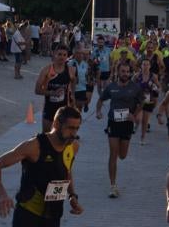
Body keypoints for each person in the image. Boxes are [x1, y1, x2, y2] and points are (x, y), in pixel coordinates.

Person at [95, 60, 144, 198]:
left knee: (122, 155)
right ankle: (113, 185)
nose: (125, 74)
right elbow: (100, 100)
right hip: (113, 122)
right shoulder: (111, 87)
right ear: (118, 72)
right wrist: (98, 112)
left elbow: (142, 102)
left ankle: (116, 167)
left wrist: (134, 115)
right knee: (113, 154)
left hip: (127, 124)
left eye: (127, 72)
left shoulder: (135, 88)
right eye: (123, 71)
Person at [35, 43, 73, 131]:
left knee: (61, 136)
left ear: (67, 56)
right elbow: (37, 90)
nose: (62, 57)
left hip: (63, 109)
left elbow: (73, 85)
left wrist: (72, 100)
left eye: (64, 55)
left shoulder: (70, 70)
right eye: (59, 54)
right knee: (46, 135)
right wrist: (52, 93)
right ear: (54, 54)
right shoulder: (46, 70)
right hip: (49, 108)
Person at [135, 57, 160, 145]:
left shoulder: (153, 76)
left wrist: (153, 86)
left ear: (150, 66)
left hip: (149, 100)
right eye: (144, 64)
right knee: (138, 118)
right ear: (141, 66)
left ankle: (142, 137)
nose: (145, 66)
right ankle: (136, 125)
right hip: (138, 101)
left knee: (145, 121)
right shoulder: (137, 75)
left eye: (147, 64)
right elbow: (130, 86)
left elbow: (158, 88)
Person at [67, 44, 92, 112]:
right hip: (72, 90)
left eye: (81, 53)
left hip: (82, 89)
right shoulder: (70, 63)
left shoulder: (86, 64)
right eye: (78, 53)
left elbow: (87, 76)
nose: (80, 55)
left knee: (79, 108)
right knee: (72, 108)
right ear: (74, 54)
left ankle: (78, 121)